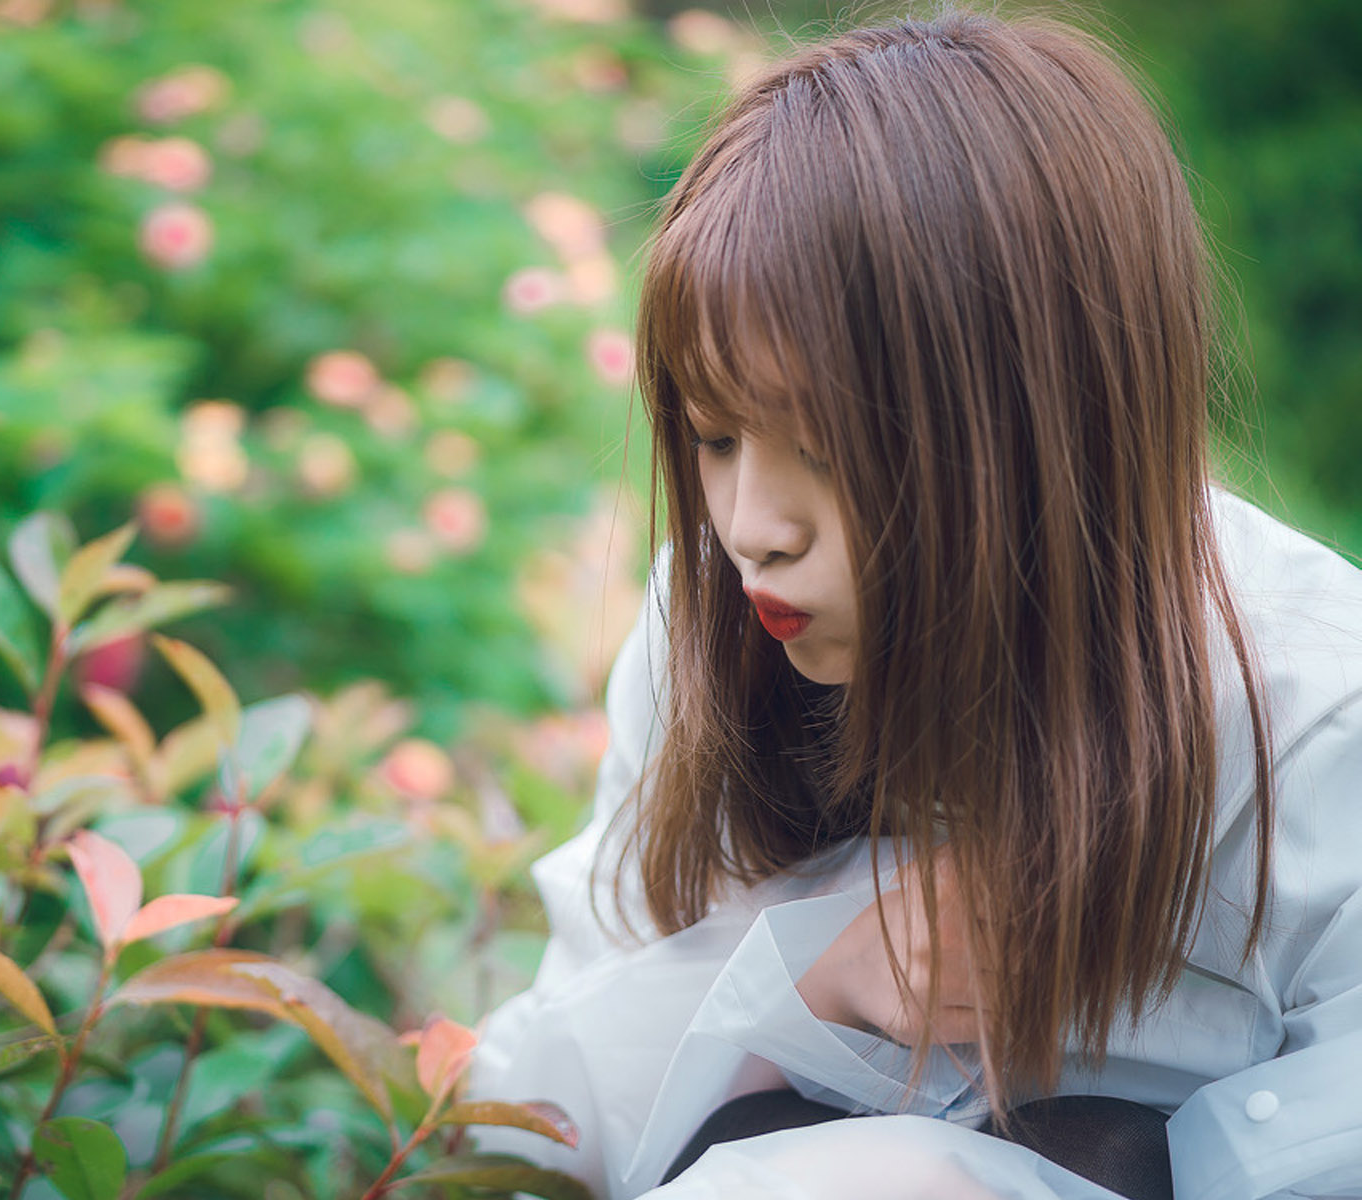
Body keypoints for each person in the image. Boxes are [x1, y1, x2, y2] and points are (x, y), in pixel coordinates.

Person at [467, 8, 1362, 1200]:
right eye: (716, 437)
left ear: (1048, 422)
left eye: (830, 447)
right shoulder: (710, 629)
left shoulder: (1314, 721)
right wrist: (811, 981)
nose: (750, 528)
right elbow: (524, 1117)